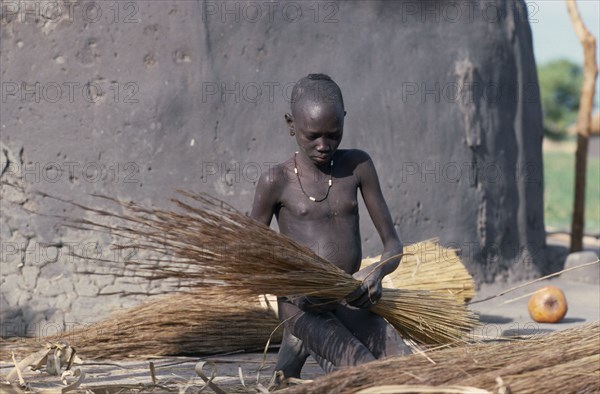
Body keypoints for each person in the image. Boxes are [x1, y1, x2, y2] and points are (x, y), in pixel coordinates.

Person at [250, 74, 411, 379]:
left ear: (344, 122)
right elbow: (249, 261)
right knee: (365, 372)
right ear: (290, 125)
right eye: (312, 136)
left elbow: (393, 244)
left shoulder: (358, 166)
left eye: (333, 135)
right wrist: (296, 287)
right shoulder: (276, 181)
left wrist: (377, 272)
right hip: (302, 308)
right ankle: (300, 352)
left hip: (347, 296)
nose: (324, 146)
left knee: (405, 364)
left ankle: (283, 378)